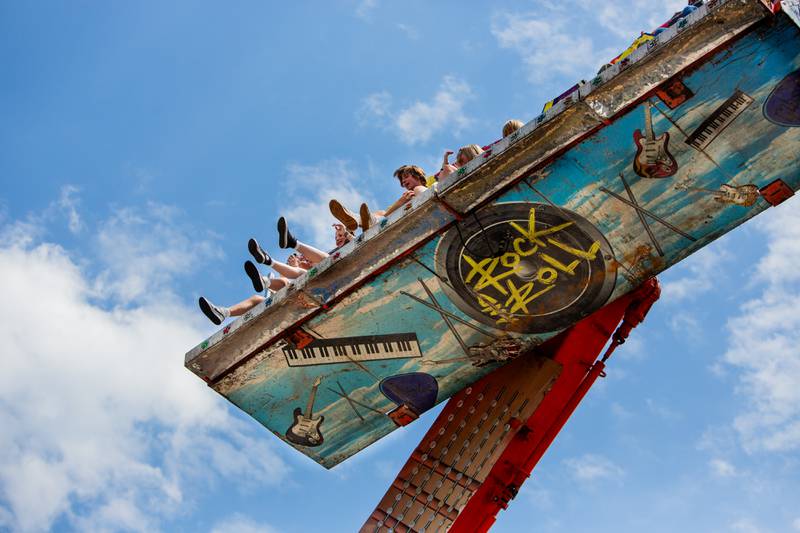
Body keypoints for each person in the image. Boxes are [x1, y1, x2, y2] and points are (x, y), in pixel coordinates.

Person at [198, 219, 351, 325]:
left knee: (324, 260)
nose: (337, 238)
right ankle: (224, 312)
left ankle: (281, 251)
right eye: (336, 236)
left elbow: (355, 240)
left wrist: (346, 230)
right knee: (259, 298)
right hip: (305, 300)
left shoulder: (343, 253)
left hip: (330, 289)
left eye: (340, 236)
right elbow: (289, 281)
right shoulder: (309, 267)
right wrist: (299, 264)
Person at [329, 165, 429, 231]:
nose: (403, 182)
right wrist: (402, 201)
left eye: (406, 177)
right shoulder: (406, 196)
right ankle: (356, 219)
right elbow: (386, 215)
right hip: (405, 220)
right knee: (381, 212)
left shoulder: (422, 187)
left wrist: (403, 200)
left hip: (426, 201)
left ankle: (370, 221)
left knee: (417, 189)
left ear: (418, 176)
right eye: (402, 181)